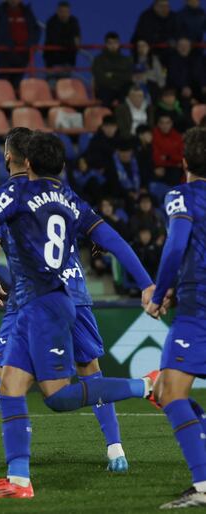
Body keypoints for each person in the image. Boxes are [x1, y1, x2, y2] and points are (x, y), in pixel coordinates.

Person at [0, 132, 156, 500]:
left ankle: (146, 386)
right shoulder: (71, 199)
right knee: (10, 386)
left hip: (44, 306)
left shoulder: (17, 192)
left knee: (58, 396)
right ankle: (18, 480)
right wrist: (146, 284)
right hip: (45, 302)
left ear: (28, 164)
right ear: (63, 166)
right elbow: (116, 241)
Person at [144, 127, 206, 509]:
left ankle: (202, 487)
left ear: (183, 162)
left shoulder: (180, 196)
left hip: (198, 309)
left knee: (169, 393)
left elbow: (176, 246)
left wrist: (159, 290)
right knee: (169, 387)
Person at [0, 0, 40, 88]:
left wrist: (31, 44)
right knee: (4, 84)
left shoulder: (27, 12)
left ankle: (16, 100)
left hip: (23, 55)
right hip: (5, 56)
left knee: (17, 85)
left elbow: (36, 30)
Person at [91, 32, 133, 108]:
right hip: (105, 89)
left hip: (122, 89)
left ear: (119, 43)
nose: (113, 46)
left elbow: (128, 77)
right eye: (110, 43)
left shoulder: (125, 60)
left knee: (128, 95)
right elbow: (100, 78)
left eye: (115, 43)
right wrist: (118, 77)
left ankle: (126, 118)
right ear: (106, 44)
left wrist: (112, 75)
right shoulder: (98, 60)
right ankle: (107, 118)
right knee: (105, 98)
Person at [43, 1, 80, 79]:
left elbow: (77, 41)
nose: (64, 14)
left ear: (69, 12)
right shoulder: (51, 22)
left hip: (68, 61)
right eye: (61, 11)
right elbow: (54, 41)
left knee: (65, 87)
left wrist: (72, 44)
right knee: (52, 86)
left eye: (66, 12)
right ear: (57, 11)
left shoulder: (74, 22)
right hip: (52, 61)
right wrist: (70, 43)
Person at [132, 0, 177, 65]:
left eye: (167, 6)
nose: (165, 9)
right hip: (151, 54)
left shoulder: (174, 17)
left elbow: (179, 33)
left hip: (170, 55)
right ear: (155, 7)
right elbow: (143, 36)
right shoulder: (146, 17)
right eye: (162, 6)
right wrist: (165, 41)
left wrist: (174, 40)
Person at [167, 37, 206, 103]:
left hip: (197, 87)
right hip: (180, 88)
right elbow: (173, 76)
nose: (183, 48)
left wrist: (204, 84)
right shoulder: (173, 59)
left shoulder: (197, 57)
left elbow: (202, 73)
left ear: (190, 46)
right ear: (177, 47)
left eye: (186, 45)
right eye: (181, 45)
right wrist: (183, 86)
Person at [153, 112, 184, 185]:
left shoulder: (177, 137)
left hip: (174, 169)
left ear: (171, 124)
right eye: (162, 123)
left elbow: (182, 157)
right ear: (158, 124)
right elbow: (155, 155)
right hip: (157, 167)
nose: (165, 126)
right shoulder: (153, 135)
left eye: (167, 123)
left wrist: (168, 157)